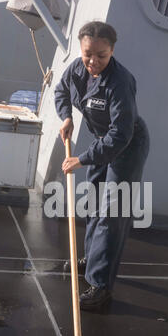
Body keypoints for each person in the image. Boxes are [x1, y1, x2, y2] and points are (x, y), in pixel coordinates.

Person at [54, 21, 150, 311]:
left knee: (112, 213)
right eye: (88, 54)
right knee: (94, 204)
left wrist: (81, 159)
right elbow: (61, 91)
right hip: (101, 141)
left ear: (112, 51)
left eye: (102, 55)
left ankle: (100, 285)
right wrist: (66, 117)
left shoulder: (121, 81)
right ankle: (92, 259)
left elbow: (120, 134)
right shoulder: (77, 68)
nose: (93, 62)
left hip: (127, 145)